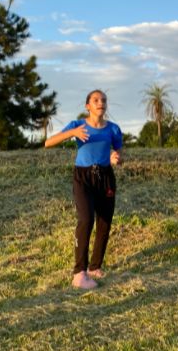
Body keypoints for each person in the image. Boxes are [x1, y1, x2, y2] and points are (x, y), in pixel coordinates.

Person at [44, 90, 123, 290]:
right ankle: (79, 274)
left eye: (104, 100)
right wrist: (72, 133)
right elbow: (48, 143)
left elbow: (117, 151)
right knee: (86, 220)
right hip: (83, 178)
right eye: (96, 100)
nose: (101, 103)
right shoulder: (77, 125)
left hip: (105, 177)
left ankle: (95, 268)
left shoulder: (113, 129)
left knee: (104, 223)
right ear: (87, 105)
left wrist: (116, 158)